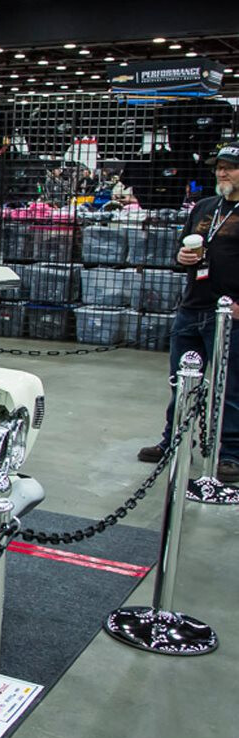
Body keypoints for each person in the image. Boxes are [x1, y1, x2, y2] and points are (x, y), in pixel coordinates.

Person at [138, 142, 239, 483]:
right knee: (181, 382)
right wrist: (182, 259)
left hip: (229, 314)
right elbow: (182, 250)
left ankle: (230, 455)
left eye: (230, 167)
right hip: (192, 307)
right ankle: (173, 441)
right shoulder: (204, 207)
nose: (222, 172)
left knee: (230, 388)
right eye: (219, 167)